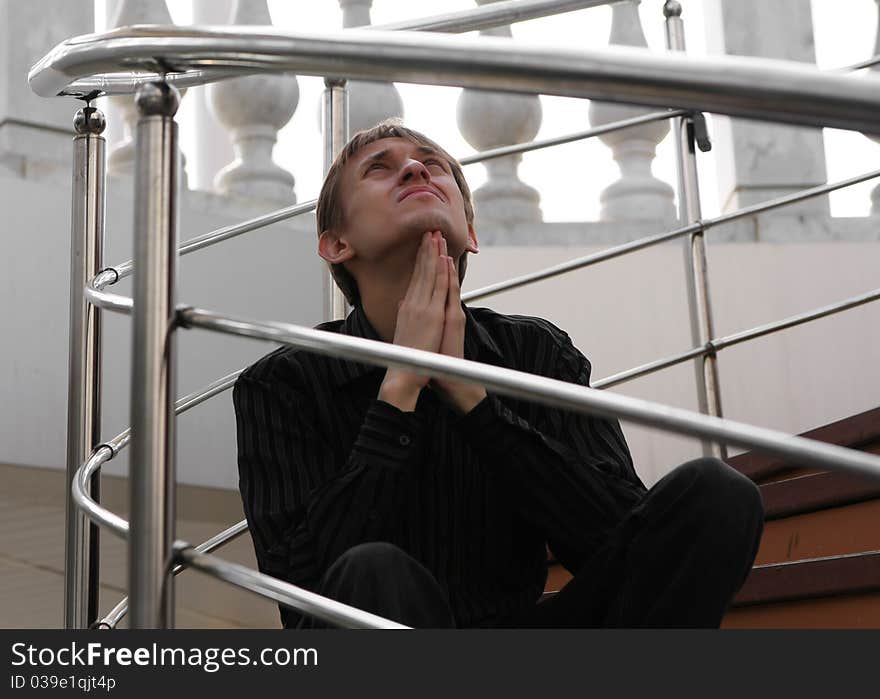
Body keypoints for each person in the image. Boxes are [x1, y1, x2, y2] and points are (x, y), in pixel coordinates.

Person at [232, 120, 764, 629]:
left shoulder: (537, 352)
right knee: (374, 570)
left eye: (433, 165)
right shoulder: (285, 383)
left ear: (472, 232)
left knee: (717, 494)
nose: (417, 170)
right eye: (380, 168)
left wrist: (473, 398)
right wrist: (400, 389)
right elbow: (303, 595)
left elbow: (617, 542)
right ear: (335, 244)